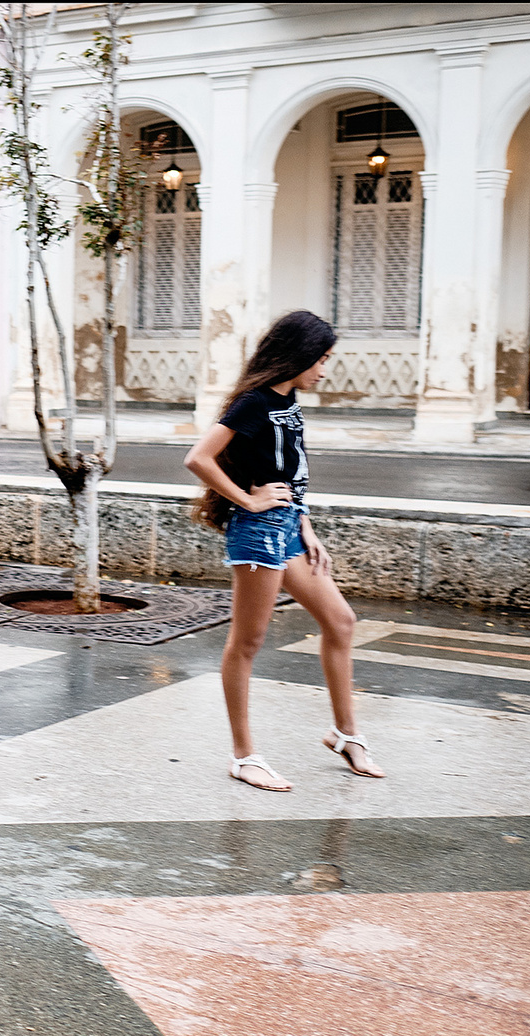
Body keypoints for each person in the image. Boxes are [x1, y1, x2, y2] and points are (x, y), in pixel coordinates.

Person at [184, 309, 384, 791]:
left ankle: (345, 735)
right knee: (247, 644)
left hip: (289, 529)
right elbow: (198, 458)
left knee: (341, 621)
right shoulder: (253, 403)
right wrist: (248, 498)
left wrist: (305, 524)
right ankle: (244, 756)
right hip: (256, 533)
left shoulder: (290, 400)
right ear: (299, 355)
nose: (324, 369)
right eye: (321, 358)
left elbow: (292, 475)